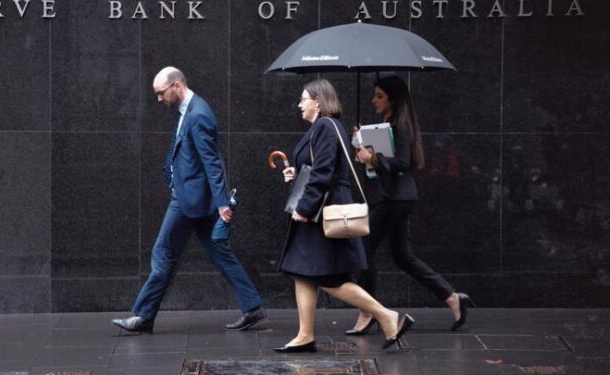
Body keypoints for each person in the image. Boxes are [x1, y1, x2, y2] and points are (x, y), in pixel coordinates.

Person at [112, 67, 266, 334]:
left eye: (161, 93)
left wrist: (222, 202)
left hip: (188, 201)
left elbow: (213, 162)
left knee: (163, 253)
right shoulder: (188, 110)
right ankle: (253, 307)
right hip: (196, 198)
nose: (159, 99)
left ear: (176, 86)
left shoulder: (198, 115)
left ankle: (142, 316)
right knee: (220, 253)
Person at [274, 79, 414, 353]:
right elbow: (317, 169)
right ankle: (305, 335)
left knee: (330, 279)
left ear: (318, 101)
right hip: (316, 212)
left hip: (320, 214)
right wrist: (297, 175)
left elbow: (325, 173)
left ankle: (388, 316)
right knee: (301, 272)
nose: (299, 104)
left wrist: (304, 208)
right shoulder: (320, 128)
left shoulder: (326, 126)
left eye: (303, 99)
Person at [348, 75, 474, 336]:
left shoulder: (401, 125)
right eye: (374, 95)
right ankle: (452, 298)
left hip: (396, 198)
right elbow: (379, 162)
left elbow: (403, 164)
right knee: (403, 256)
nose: (373, 100)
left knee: (363, 249)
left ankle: (368, 310)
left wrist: (373, 157)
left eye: (379, 96)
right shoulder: (386, 125)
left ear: (393, 99)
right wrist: (361, 145)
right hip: (393, 198)